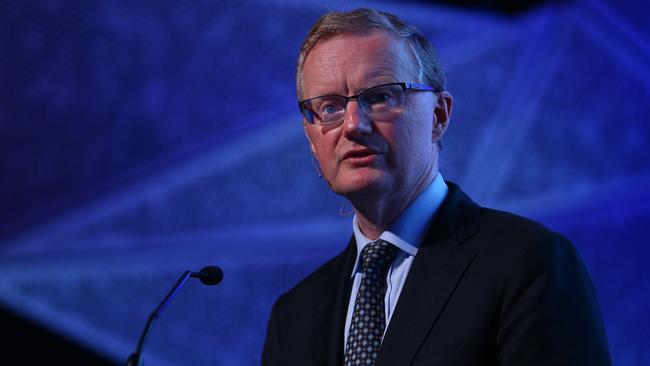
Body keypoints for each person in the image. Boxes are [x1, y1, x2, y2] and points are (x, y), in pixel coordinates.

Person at [262, 8, 610, 366]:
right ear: (311, 138)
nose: (353, 124)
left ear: (438, 116)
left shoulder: (529, 264)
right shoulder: (292, 318)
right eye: (330, 107)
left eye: (380, 97)